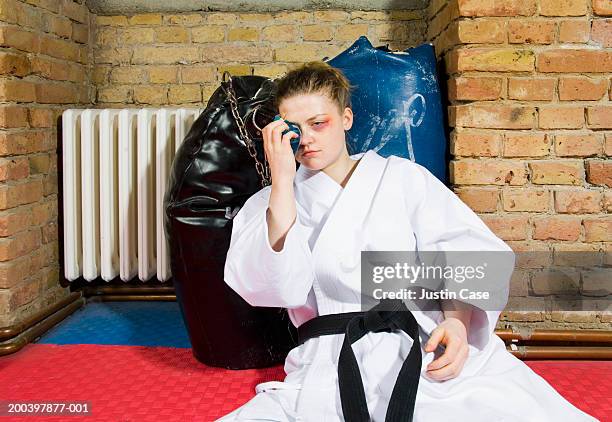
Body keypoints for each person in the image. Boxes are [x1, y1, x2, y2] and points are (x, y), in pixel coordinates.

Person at [217, 62, 598, 422]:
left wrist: (458, 324)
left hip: (418, 339)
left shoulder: (401, 179)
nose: (308, 139)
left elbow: (462, 252)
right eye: (296, 129)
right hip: (328, 354)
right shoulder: (271, 202)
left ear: (346, 118)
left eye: (320, 123)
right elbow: (273, 287)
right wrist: (281, 181)